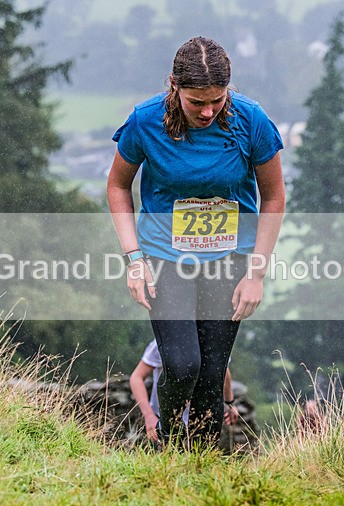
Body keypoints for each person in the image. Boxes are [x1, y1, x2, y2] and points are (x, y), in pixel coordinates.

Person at [107, 36, 285, 446]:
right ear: (174, 86)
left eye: (217, 101)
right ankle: (167, 445)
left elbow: (273, 197)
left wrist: (255, 273)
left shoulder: (252, 120)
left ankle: (201, 465)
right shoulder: (145, 120)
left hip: (230, 260)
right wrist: (134, 259)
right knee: (183, 364)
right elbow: (118, 186)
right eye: (196, 102)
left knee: (210, 375)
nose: (207, 111)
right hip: (164, 258)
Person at [129, 339, 239, 443]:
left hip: (201, 419)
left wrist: (229, 403)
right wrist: (149, 416)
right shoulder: (165, 341)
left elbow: (222, 370)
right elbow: (136, 378)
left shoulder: (212, 338)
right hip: (164, 419)